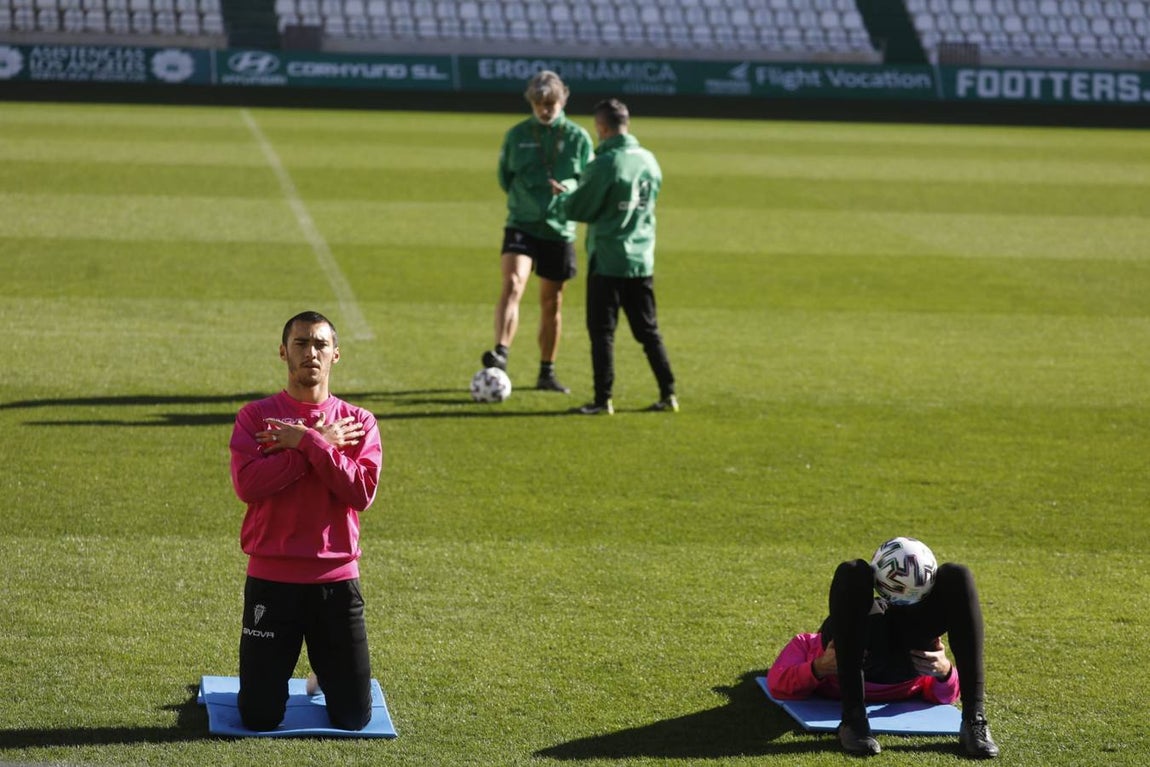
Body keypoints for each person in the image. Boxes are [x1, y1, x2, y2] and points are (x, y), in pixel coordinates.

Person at [228, 310, 383, 731]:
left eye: (320, 344)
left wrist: (307, 442)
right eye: (300, 343)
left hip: (336, 582)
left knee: (353, 719)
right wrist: (315, 445)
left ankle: (324, 672)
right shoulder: (256, 417)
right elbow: (248, 485)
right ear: (283, 352)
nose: (310, 352)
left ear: (336, 354)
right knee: (259, 718)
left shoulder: (358, 422)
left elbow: (361, 493)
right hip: (272, 579)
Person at [766, 540, 999, 759]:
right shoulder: (812, 643)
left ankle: (974, 720)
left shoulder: (810, 641)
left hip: (905, 660)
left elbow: (945, 695)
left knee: (957, 574)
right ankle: (854, 720)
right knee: (853, 571)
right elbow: (776, 683)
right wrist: (818, 668)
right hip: (856, 658)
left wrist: (945, 671)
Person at [552, 98, 677, 415]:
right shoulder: (649, 159)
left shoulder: (606, 163)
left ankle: (602, 399)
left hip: (608, 258)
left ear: (602, 127)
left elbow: (579, 208)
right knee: (648, 331)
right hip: (641, 259)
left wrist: (563, 197)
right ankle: (669, 393)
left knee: (602, 333)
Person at [481, 70, 595, 394]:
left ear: (563, 100)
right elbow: (505, 177)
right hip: (522, 221)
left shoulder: (578, 137)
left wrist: (568, 186)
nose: (545, 110)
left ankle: (547, 371)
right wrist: (526, 200)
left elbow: (588, 178)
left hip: (559, 226)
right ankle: (501, 353)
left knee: (551, 301)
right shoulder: (517, 135)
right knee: (513, 282)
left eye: (550, 104)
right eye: (539, 104)